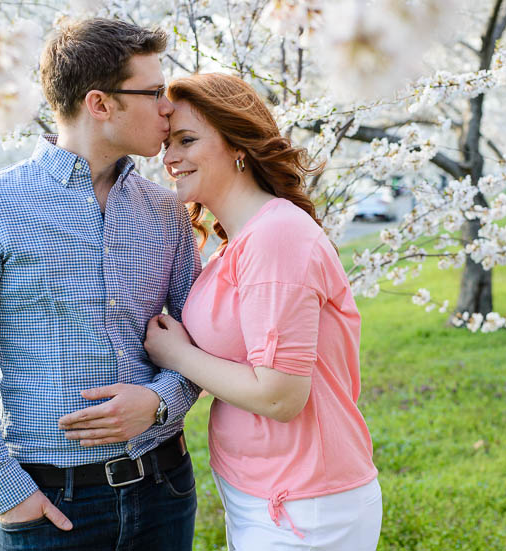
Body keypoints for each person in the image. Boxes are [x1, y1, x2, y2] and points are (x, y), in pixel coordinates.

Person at [0, 18, 201, 551]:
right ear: (100, 104)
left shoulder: (168, 212)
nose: (168, 106)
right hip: (54, 503)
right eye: (153, 92)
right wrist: (6, 491)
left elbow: (199, 335)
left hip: (165, 488)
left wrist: (159, 402)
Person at [143, 73, 382, 550]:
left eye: (187, 140)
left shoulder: (275, 237)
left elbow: (280, 397)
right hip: (265, 494)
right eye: (168, 144)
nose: (170, 158)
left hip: (305, 506)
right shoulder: (240, 242)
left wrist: (177, 355)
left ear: (239, 146)